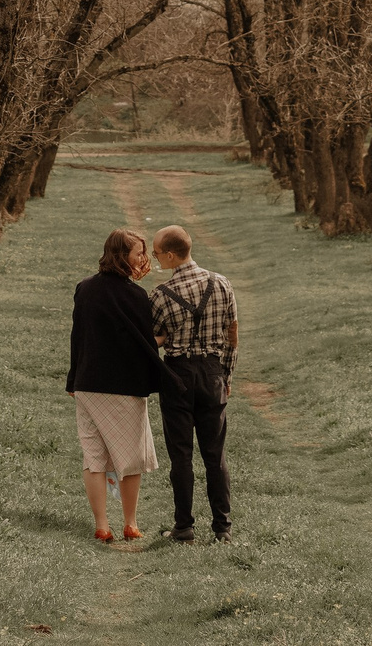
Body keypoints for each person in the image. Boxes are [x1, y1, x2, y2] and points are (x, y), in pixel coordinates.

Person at [67, 228, 181, 543]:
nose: (144, 258)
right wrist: (166, 337)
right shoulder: (135, 296)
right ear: (122, 257)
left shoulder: (84, 288)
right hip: (125, 387)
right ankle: (130, 523)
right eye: (138, 254)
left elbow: (78, 337)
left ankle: (102, 526)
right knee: (129, 457)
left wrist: (72, 379)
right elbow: (144, 343)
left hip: (88, 384)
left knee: (94, 457)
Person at [148, 224, 237, 542]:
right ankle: (222, 529)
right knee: (215, 455)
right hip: (212, 373)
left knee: (181, 456)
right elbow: (232, 336)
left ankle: (184, 527)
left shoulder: (159, 295)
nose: (156, 258)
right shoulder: (222, 283)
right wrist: (225, 376)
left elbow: (150, 340)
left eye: (157, 253)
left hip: (178, 378)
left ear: (171, 255)